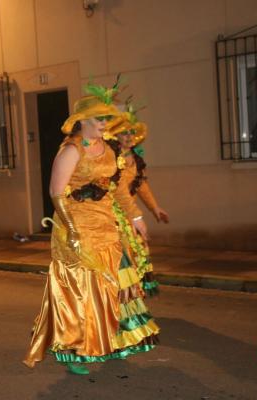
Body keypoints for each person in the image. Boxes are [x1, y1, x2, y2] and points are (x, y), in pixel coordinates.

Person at [24, 84, 159, 374]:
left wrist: (136, 219)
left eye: (106, 120)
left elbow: (118, 187)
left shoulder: (108, 150)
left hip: (106, 226)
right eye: (99, 119)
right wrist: (72, 231)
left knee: (113, 287)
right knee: (83, 292)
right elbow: (56, 192)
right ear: (82, 121)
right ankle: (76, 350)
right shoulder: (71, 150)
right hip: (78, 230)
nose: (104, 125)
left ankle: (110, 339)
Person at [108, 104, 169, 296]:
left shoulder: (135, 159)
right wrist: (134, 214)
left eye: (131, 133)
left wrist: (155, 207)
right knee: (123, 251)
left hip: (130, 213)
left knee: (138, 249)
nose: (129, 137)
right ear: (116, 137)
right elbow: (117, 188)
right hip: (115, 214)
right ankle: (120, 293)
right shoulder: (111, 158)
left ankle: (132, 291)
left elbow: (141, 185)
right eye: (124, 133)